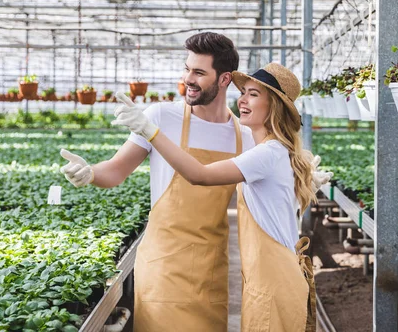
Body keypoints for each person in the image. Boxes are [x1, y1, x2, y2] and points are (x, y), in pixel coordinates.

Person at [111, 62, 333, 332]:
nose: (242, 99)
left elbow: (200, 175)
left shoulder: (266, 153)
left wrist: (152, 133)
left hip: (272, 282)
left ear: (273, 105)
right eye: (243, 92)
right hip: (273, 279)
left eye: (253, 94)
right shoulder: (274, 151)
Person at [59, 32, 256, 332]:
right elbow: (116, 170)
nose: (188, 78)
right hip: (164, 264)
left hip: (210, 270)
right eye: (187, 68)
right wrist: (91, 173)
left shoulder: (243, 135)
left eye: (199, 72)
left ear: (224, 79)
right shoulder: (161, 116)